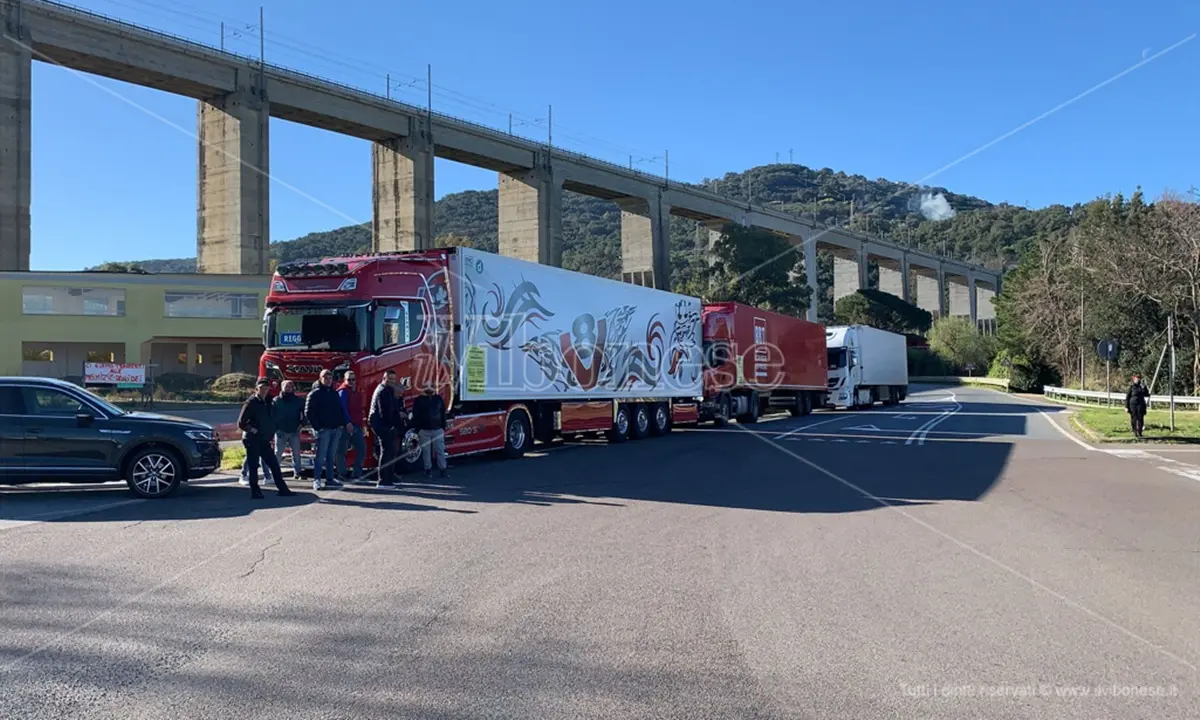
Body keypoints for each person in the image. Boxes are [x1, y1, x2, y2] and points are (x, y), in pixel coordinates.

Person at [237, 378, 295, 499]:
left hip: (264, 439)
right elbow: (241, 423)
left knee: (273, 464)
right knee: (253, 466)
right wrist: (253, 430)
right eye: (261, 388)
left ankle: (283, 489)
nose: (264, 390)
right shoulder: (251, 403)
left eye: (266, 388)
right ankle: (255, 490)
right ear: (256, 389)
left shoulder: (269, 401)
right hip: (252, 439)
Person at [305, 369, 352, 491]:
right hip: (323, 430)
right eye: (325, 378)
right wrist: (317, 427)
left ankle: (330, 479)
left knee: (331, 455)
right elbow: (308, 412)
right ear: (320, 379)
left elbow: (340, 409)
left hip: (335, 429)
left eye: (330, 378)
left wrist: (341, 424)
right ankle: (317, 479)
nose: (328, 380)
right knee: (320, 456)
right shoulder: (314, 393)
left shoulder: (334, 393)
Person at [368, 369, 405, 488]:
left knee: (391, 450)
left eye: (394, 379)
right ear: (384, 379)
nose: (392, 381)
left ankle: (390, 476)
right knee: (386, 451)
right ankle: (383, 480)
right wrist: (391, 425)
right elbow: (384, 411)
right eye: (390, 379)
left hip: (382, 423)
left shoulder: (387, 390)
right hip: (382, 425)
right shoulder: (384, 391)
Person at [411, 380, 449, 479]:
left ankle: (443, 469)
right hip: (424, 430)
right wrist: (418, 429)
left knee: (440, 450)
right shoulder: (419, 400)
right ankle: (428, 470)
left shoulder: (438, 399)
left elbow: (442, 413)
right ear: (423, 387)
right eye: (427, 386)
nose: (430, 388)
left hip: (437, 429)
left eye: (432, 385)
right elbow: (416, 416)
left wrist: (443, 427)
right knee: (426, 452)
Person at [336, 371, 368, 484]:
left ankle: (357, 473)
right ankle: (342, 473)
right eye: (349, 379)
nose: (351, 382)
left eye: (353, 379)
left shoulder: (356, 391)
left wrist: (362, 424)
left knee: (362, 449)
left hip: (357, 424)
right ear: (344, 380)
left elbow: (360, 409)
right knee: (341, 450)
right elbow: (342, 408)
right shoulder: (342, 392)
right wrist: (347, 422)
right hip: (345, 426)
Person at [272, 380, 306, 477]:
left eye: (290, 387)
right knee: (278, 453)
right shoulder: (276, 401)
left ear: (293, 388)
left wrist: (302, 424)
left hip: (294, 430)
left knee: (296, 453)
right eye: (286, 386)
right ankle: (275, 472)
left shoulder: (298, 401)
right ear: (282, 387)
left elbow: (306, 413)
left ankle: (297, 472)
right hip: (280, 431)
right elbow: (271, 415)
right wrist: (275, 427)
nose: (288, 388)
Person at [1125, 373, 1150, 439]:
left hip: (1140, 404)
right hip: (1133, 405)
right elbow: (1127, 397)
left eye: (1139, 378)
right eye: (1136, 378)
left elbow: (1147, 394)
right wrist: (1126, 407)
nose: (1138, 380)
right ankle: (1134, 431)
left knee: (1140, 418)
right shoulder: (1131, 387)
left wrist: (1144, 387)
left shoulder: (1141, 386)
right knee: (1134, 418)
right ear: (1134, 379)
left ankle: (1140, 432)